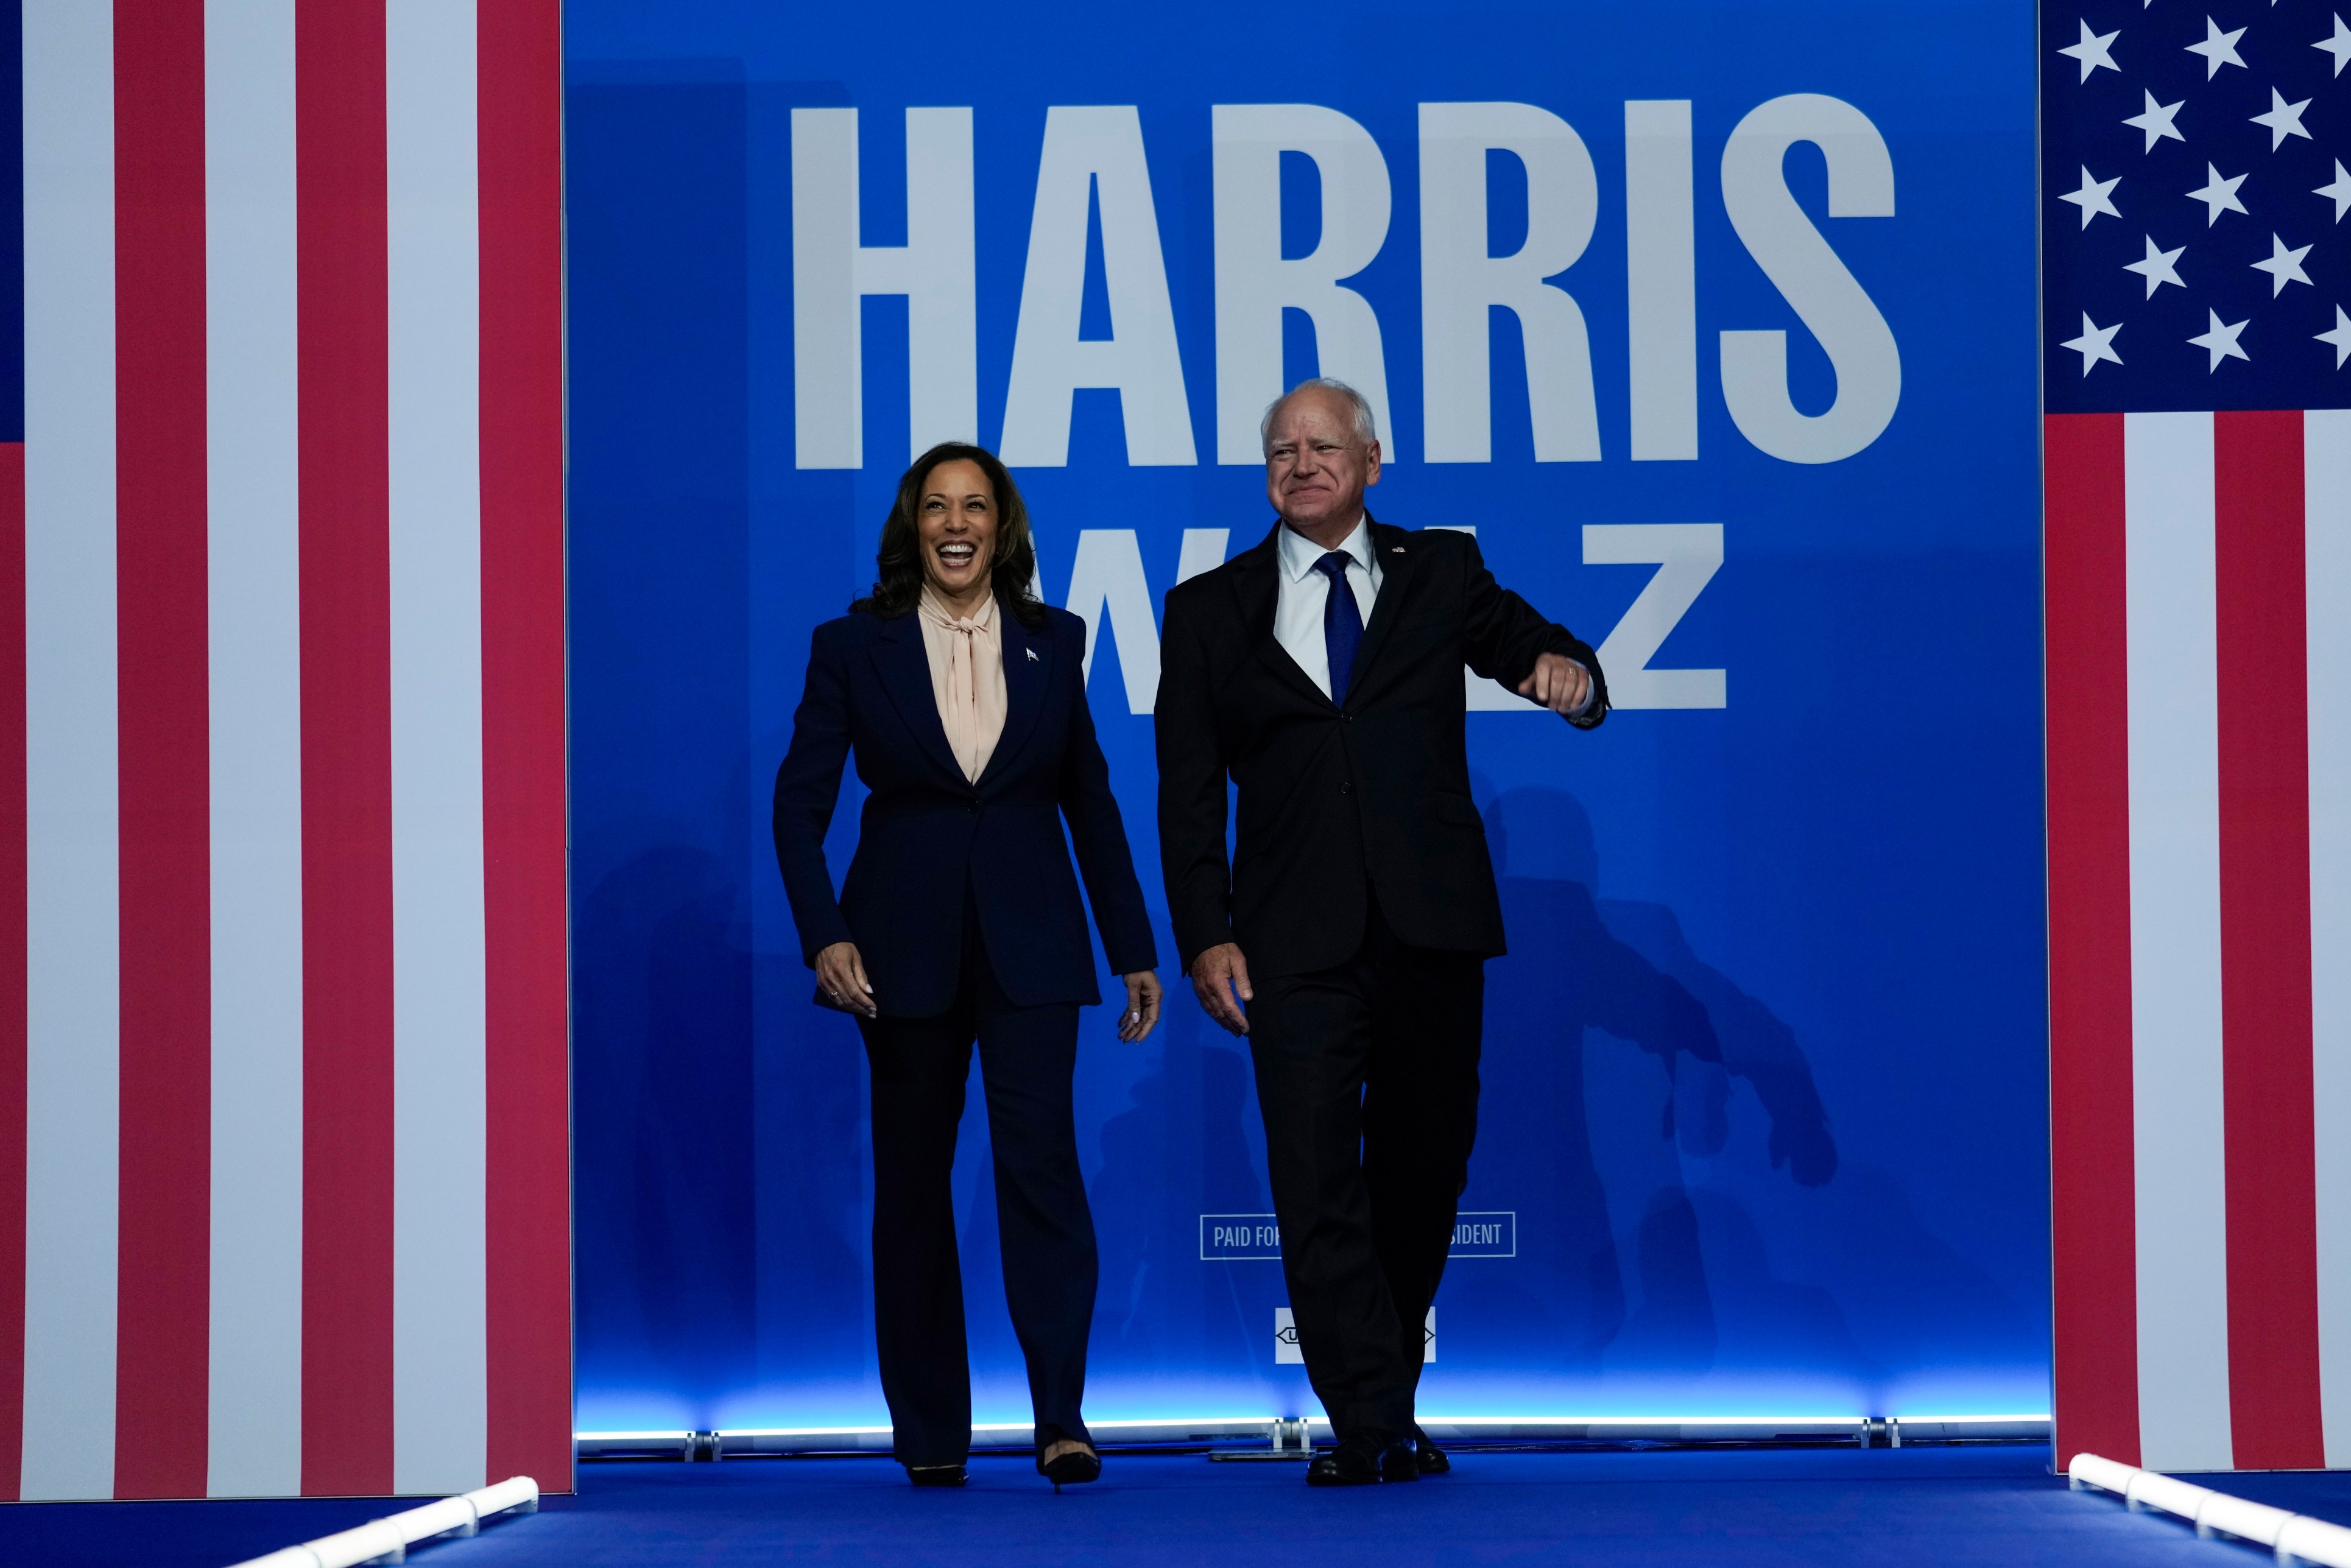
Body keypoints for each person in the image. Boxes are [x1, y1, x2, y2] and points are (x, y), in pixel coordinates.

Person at [1155, 378, 1607, 1486]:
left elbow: (1538, 647)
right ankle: (1366, 1420)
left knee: (1423, 1170)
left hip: (1431, 930)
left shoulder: (1439, 571)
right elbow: (1187, 792)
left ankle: (1387, 1396)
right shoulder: (1209, 609)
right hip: (1289, 941)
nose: (1301, 463)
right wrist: (1206, 932)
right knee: (1314, 1178)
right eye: (1281, 450)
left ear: (1369, 461)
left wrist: (1573, 681)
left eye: (1322, 445)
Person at [772, 441, 1162, 1491]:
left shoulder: (1055, 639)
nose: (957, 524)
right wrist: (825, 934)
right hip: (896, 955)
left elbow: (1091, 800)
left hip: (1034, 947)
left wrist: (1134, 945)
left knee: (1042, 1173)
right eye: (938, 506)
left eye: (976, 507)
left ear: (1003, 526)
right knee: (912, 1186)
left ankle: (1061, 1421)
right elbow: (798, 807)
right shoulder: (852, 645)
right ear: (914, 527)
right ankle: (933, 1434)